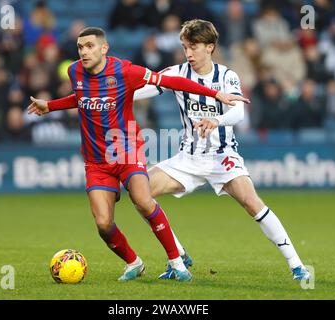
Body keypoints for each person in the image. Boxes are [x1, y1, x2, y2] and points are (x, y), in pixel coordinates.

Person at [27, 27, 249, 282]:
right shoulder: (74, 71)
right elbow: (82, 97)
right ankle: (134, 262)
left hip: (126, 150)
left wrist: (215, 93)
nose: (84, 52)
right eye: (80, 47)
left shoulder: (125, 70)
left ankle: (176, 261)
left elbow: (171, 81)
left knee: (144, 200)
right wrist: (51, 106)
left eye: (89, 46)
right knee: (103, 224)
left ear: (104, 48)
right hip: (97, 161)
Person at [132, 19, 310, 281]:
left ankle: (297, 266)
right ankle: (178, 255)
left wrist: (217, 120)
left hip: (222, 156)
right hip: (188, 158)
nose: (189, 53)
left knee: (253, 204)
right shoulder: (177, 73)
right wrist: (107, 94)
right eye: (185, 47)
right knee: (140, 193)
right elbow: (140, 91)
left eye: (194, 47)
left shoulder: (227, 76)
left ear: (210, 47)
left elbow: (238, 110)